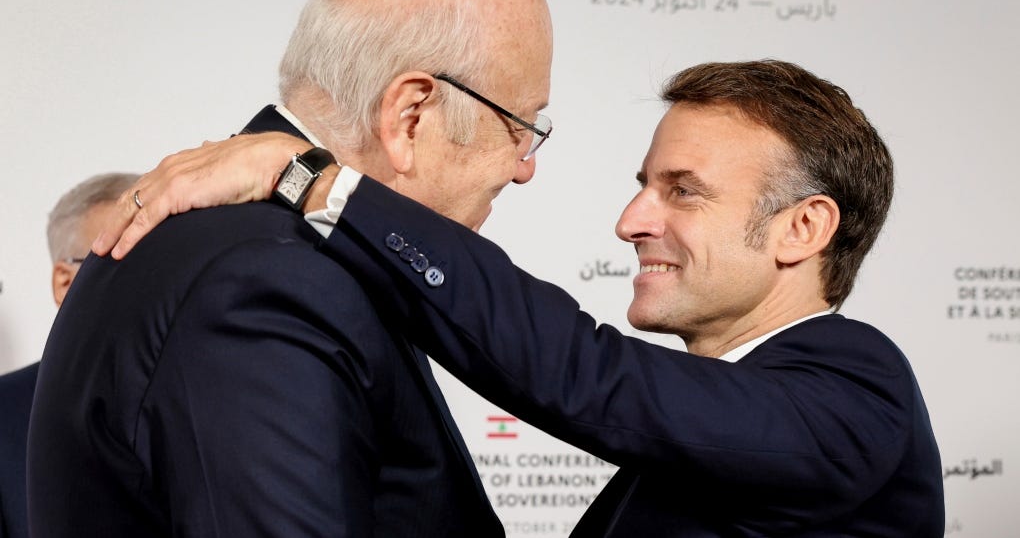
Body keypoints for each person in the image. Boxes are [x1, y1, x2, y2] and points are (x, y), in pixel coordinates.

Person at [100, 60, 944, 536]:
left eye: (682, 191)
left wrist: (314, 179)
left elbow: (586, 374)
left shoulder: (859, 390)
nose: (631, 221)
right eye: (642, 185)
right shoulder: (719, 422)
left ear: (803, 228)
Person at [28, 0, 551, 536]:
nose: (525, 168)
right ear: (411, 116)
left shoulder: (274, 251)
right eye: (520, 126)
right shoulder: (273, 279)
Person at [0, 172, 138, 538]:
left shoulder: (222, 394)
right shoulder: (4, 414)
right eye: (128, 257)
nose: (157, 279)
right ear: (64, 282)